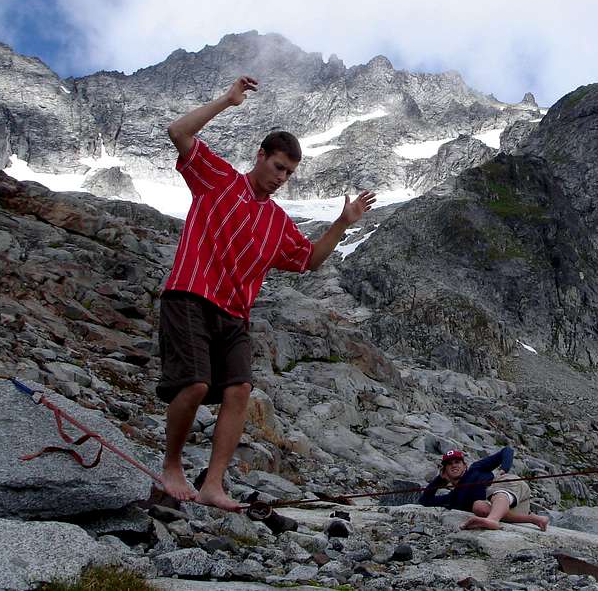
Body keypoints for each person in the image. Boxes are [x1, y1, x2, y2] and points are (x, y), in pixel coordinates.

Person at [157, 75, 376, 512]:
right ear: (260, 156)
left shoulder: (278, 222)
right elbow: (179, 133)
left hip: (235, 314)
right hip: (190, 296)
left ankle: (214, 484)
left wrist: (342, 223)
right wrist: (228, 100)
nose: (282, 178)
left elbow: (310, 260)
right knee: (196, 384)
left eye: (290, 173)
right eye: (278, 167)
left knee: (239, 390)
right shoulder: (217, 179)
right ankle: (173, 464)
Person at [419, 447, 549, 531]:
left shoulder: (476, 468)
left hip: (513, 489)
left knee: (495, 491)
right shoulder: (453, 498)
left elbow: (507, 451)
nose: (454, 466)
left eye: (457, 462)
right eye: (449, 464)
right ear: (444, 471)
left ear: (465, 465)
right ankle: (533, 519)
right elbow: (425, 500)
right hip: (513, 511)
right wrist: (440, 479)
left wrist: (504, 468)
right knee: (479, 507)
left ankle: (492, 520)